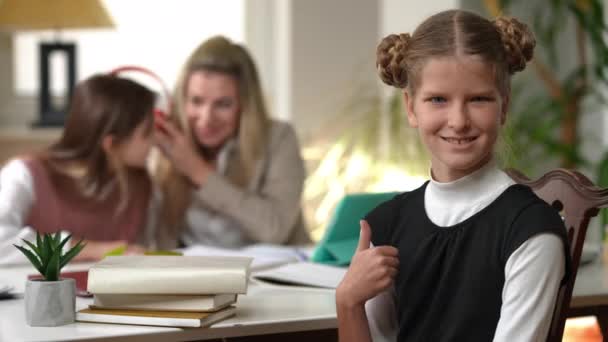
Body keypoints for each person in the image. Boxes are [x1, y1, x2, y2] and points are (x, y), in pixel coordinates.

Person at [336, 9, 570, 342]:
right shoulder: (386, 224)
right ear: (411, 107)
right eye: (438, 100)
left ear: (504, 106)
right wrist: (348, 301)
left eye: (478, 99)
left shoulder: (530, 231)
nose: (458, 120)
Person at [153, 36, 309, 249]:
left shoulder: (279, 138)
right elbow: (157, 241)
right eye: (196, 101)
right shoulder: (168, 140)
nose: (206, 118)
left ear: (246, 105)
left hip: (275, 274)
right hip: (194, 276)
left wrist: (198, 172)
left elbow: (274, 228)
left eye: (223, 104)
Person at [0, 74, 156, 264]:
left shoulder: (140, 185)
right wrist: (92, 250)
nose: (154, 141)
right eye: (147, 133)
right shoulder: (24, 174)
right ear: (111, 144)